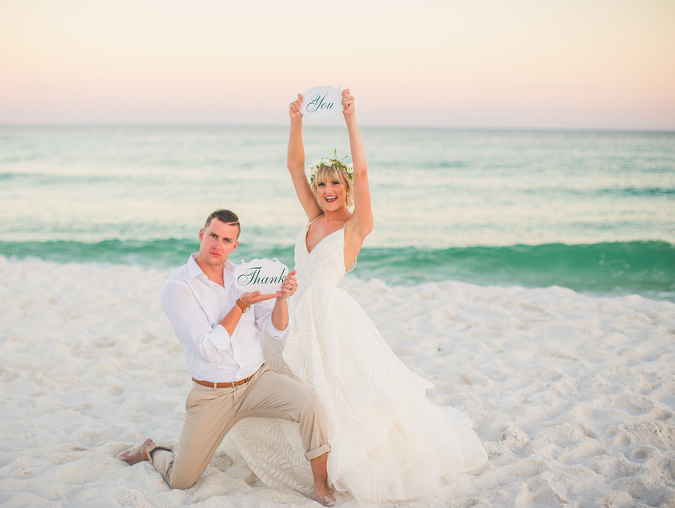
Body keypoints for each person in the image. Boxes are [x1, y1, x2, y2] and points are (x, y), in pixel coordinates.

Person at [224, 91, 488, 503]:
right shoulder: (314, 217)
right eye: (321, 183)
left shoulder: (355, 227)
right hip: (291, 312)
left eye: (335, 182)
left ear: (346, 186)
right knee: (282, 385)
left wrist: (350, 119)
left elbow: (363, 172)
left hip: (329, 318)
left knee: (330, 393)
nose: (327, 189)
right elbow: (293, 166)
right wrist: (295, 120)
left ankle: (326, 474)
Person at [118, 209, 336, 507]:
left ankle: (321, 486)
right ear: (201, 235)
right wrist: (240, 306)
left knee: (310, 405)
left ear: (235, 245)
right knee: (181, 481)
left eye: (226, 240)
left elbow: (275, 331)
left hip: (256, 381)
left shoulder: (242, 276)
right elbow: (208, 348)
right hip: (212, 393)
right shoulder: (178, 288)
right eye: (213, 236)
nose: (217, 245)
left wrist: (281, 298)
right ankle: (151, 451)